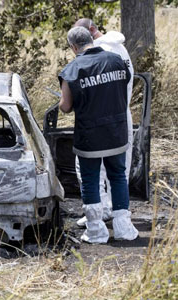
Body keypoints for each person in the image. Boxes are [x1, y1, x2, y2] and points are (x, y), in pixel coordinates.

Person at [58, 26, 138, 243]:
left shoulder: (72, 70)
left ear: (74, 47)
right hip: (116, 130)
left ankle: (96, 230)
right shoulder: (117, 60)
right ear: (92, 38)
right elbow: (124, 88)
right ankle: (123, 227)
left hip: (90, 136)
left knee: (91, 180)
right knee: (118, 176)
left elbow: (65, 106)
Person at [73, 18, 134, 228]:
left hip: (99, 119)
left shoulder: (99, 55)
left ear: (89, 32)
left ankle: (97, 215)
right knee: (118, 170)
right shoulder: (120, 50)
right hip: (121, 114)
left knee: (91, 171)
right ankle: (120, 218)